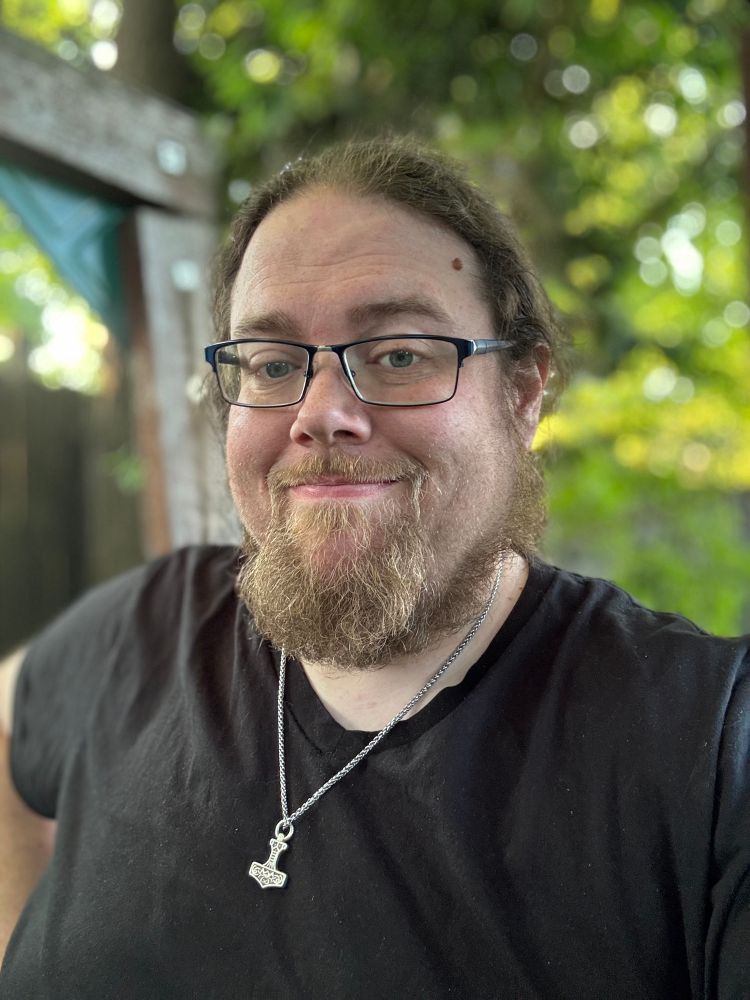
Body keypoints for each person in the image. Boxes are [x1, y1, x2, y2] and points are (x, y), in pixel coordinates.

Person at [0, 136, 747, 1000]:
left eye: (398, 354)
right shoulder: (149, 622)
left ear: (524, 393)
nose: (321, 414)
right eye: (274, 364)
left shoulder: (710, 746)